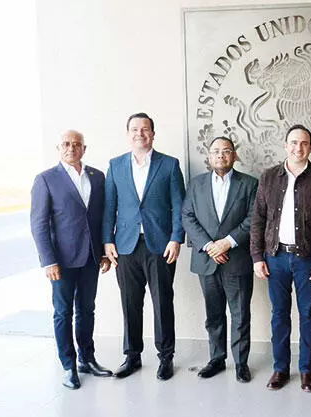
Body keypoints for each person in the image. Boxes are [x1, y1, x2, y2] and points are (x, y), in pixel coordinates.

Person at [250, 124, 311, 393]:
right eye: (294, 143)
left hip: (307, 259)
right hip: (275, 257)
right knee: (279, 314)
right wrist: (257, 256)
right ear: (286, 145)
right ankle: (280, 369)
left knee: (308, 314)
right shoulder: (268, 177)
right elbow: (258, 219)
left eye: (304, 143)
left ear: (310, 147)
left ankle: (306, 370)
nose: (299, 148)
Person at [103, 113, 186, 381]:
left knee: (162, 302)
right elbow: (109, 207)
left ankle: (166, 357)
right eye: (135, 129)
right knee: (130, 303)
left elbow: (179, 206)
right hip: (125, 246)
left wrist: (176, 238)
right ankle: (132, 356)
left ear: (153, 133)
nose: (140, 133)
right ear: (128, 134)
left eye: (145, 129)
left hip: (160, 245)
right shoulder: (115, 165)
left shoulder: (169, 165)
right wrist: (107, 241)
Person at [30, 130, 113, 389]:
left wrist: (103, 252)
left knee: (87, 310)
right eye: (66, 144)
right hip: (62, 261)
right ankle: (68, 365)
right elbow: (39, 224)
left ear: (84, 149)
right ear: (58, 148)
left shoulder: (97, 177)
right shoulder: (46, 179)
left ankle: (87, 359)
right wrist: (48, 261)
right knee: (63, 312)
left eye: (77, 144)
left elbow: (101, 216)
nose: (71, 148)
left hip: (91, 257)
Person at [181, 137, 258, 383]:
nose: (221, 155)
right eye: (215, 151)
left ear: (234, 155)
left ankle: (241, 362)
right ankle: (216, 358)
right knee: (213, 314)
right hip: (206, 260)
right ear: (209, 156)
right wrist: (209, 246)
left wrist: (227, 242)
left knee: (240, 314)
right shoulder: (196, 184)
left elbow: (253, 218)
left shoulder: (250, 184)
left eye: (226, 151)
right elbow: (187, 216)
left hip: (237, 258)